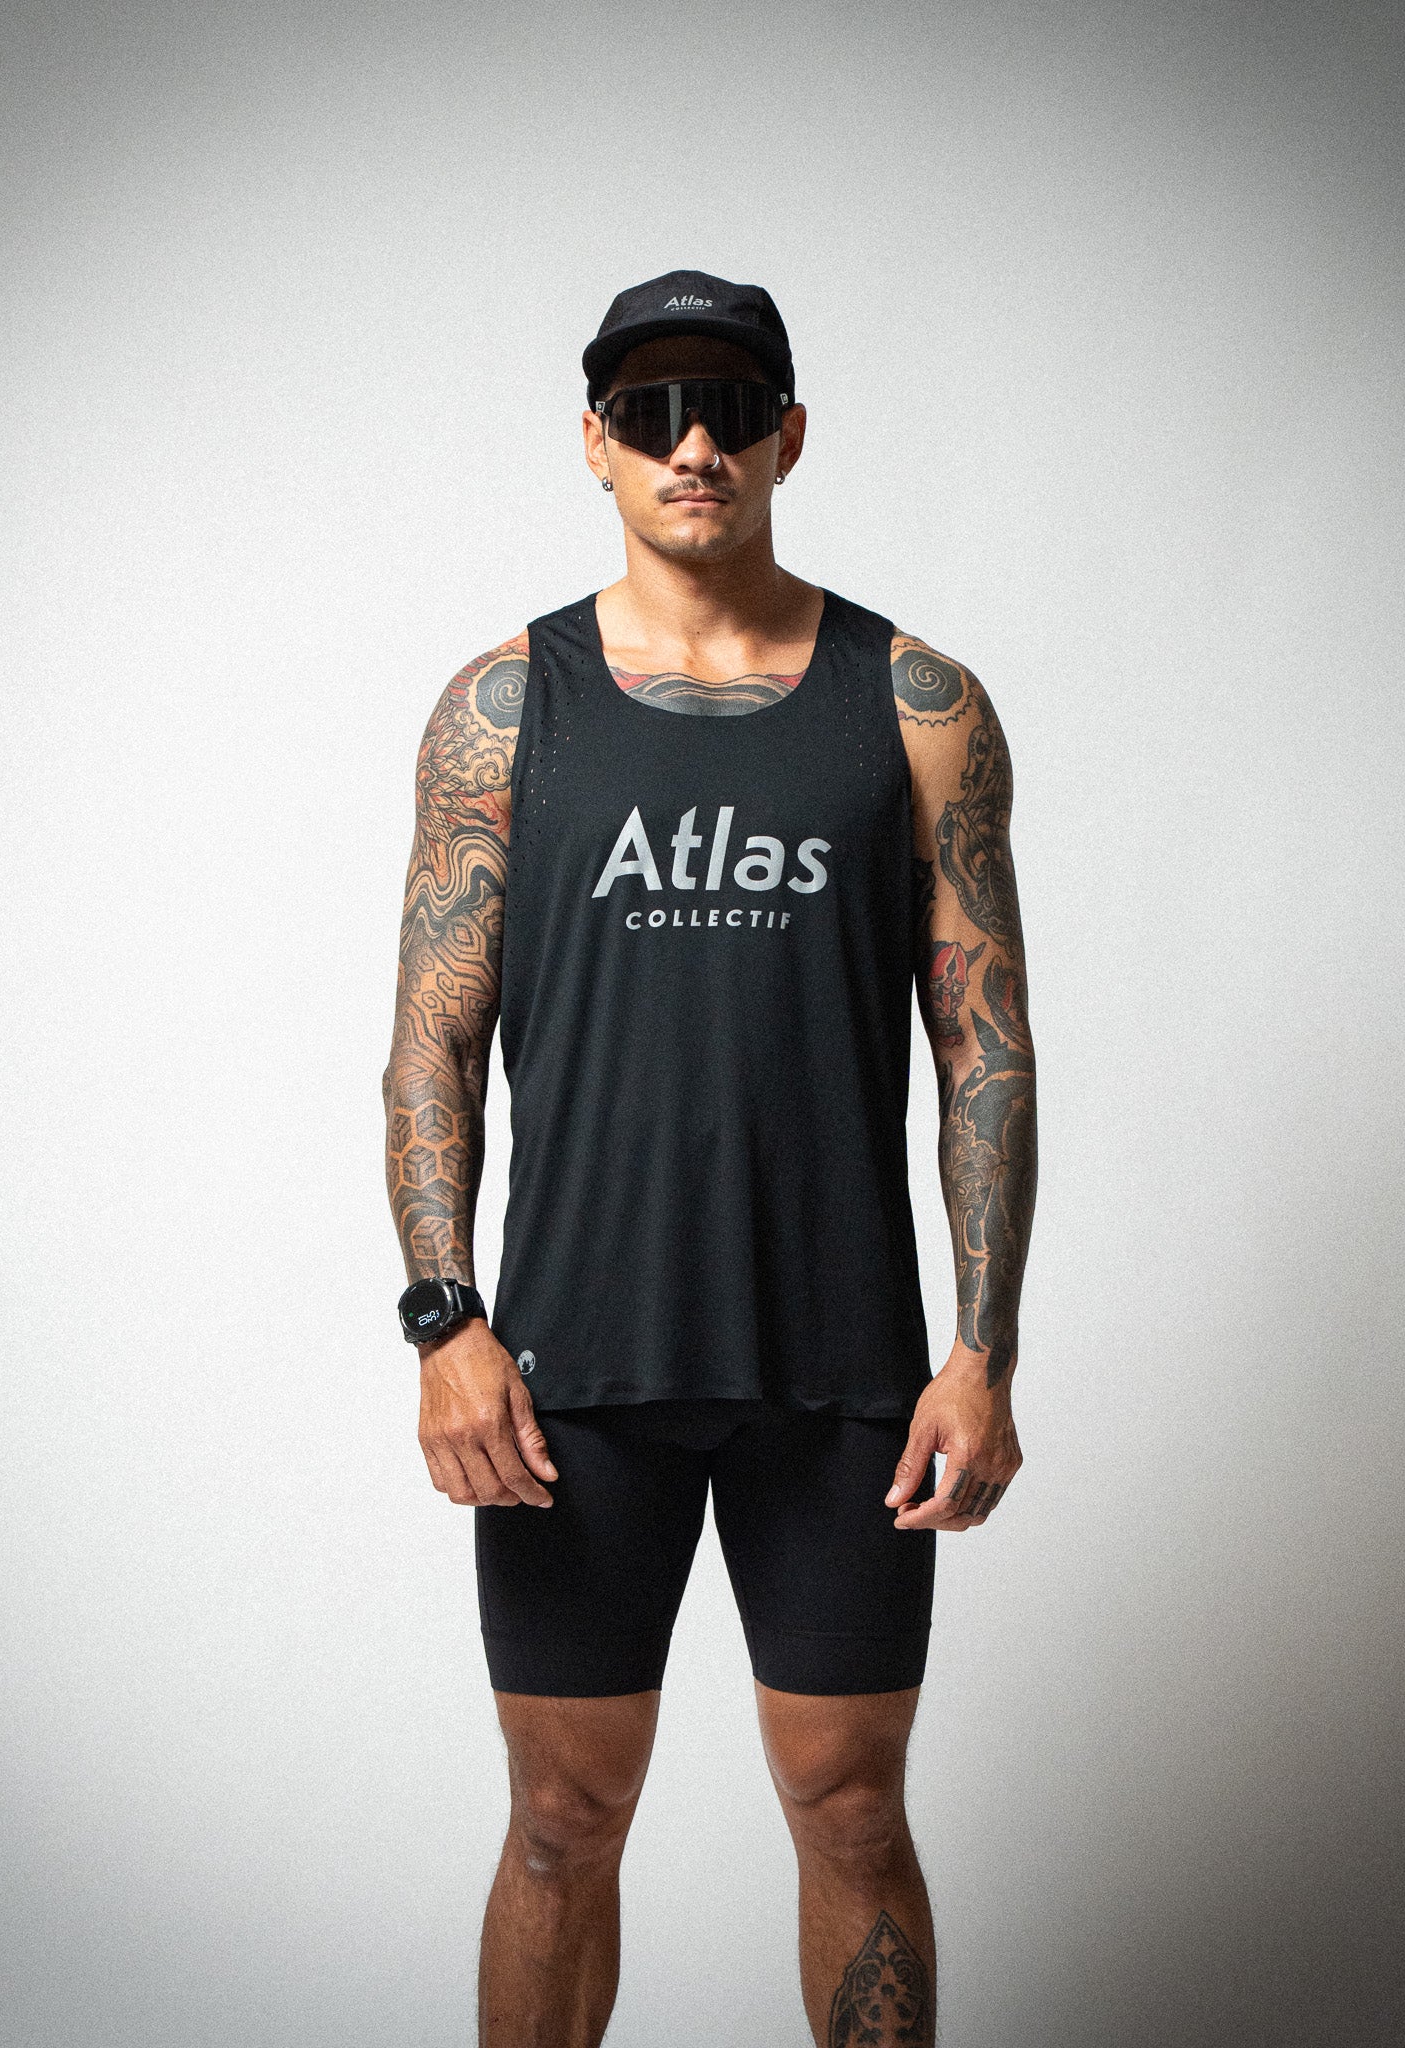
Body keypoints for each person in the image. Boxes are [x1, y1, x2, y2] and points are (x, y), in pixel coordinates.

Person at [384, 268, 1036, 2047]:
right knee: (560, 1821)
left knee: (851, 1809)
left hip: (840, 1372)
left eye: (732, 409)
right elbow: (433, 1038)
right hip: (569, 1378)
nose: (694, 445)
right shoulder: (504, 709)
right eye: (654, 410)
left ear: (788, 438)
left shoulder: (917, 706)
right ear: (596, 443)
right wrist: (445, 1319)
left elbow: (984, 1044)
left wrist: (981, 1352)